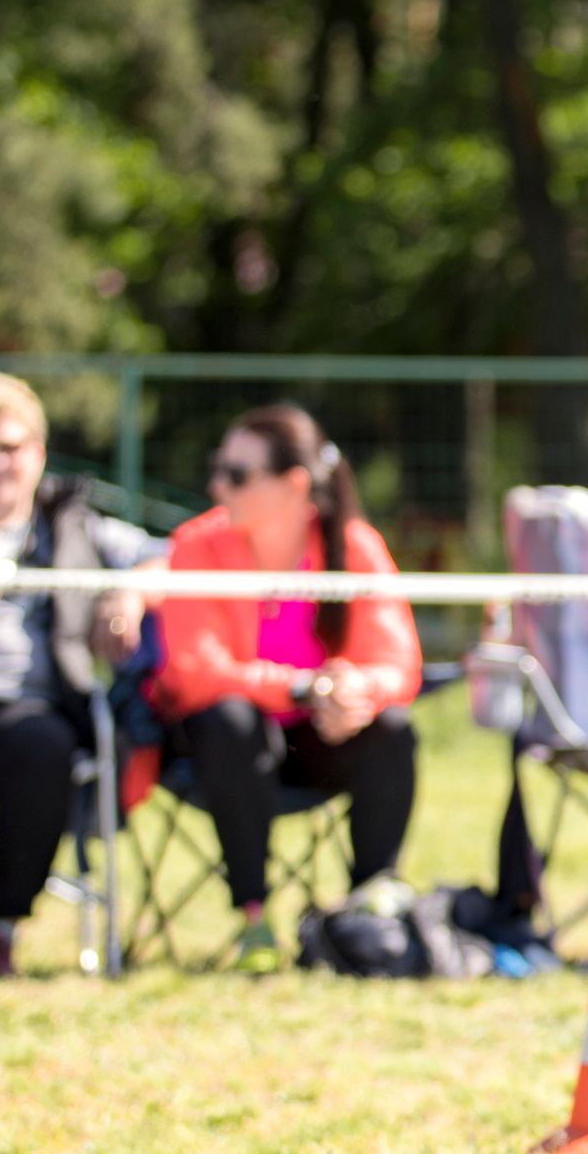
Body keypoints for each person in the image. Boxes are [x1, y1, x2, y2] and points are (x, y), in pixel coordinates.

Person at [0, 371, 159, 976]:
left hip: (22, 705)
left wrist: (129, 595)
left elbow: (174, 553)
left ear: (39, 451)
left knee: (46, 751)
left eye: (10, 447)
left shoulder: (73, 525)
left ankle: (1, 938)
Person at [153, 404, 422, 973]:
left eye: (237, 473)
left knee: (393, 731)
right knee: (233, 723)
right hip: (220, 748)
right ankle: (254, 918)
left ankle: (367, 915)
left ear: (293, 484)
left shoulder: (354, 545)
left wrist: (353, 690)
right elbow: (195, 667)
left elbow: (399, 664)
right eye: (219, 468)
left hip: (316, 741)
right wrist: (303, 687)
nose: (217, 484)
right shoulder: (196, 545)